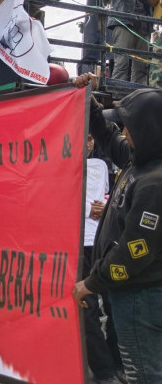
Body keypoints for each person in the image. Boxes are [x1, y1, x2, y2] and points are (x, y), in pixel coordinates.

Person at [73, 73, 162, 383]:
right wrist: (90, 99)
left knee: (144, 374)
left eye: (131, 126)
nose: (125, 131)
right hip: (130, 292)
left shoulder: (154, 181)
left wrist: (91, 283)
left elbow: (135, 250)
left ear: (148, 129)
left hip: (142, 295)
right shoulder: (139, 161)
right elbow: (109, 135)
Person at [81, 134, 125, 384]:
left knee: (111, 302)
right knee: (88, 309)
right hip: (76, 244)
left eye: (90, 139)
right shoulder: (62, 163)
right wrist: (90, 210)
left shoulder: (101, 165)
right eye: (83, 138)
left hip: (103, 242)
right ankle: (104, 369)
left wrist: (105, 208)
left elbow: (110, 196)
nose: (87, 143)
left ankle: (117, 361)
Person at [108, 0, 162, 85]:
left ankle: (139, 96)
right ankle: (117, 96)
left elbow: (148, 3)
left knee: (141, 66)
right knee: (122, 63)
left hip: (143, 27)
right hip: (124, 24)